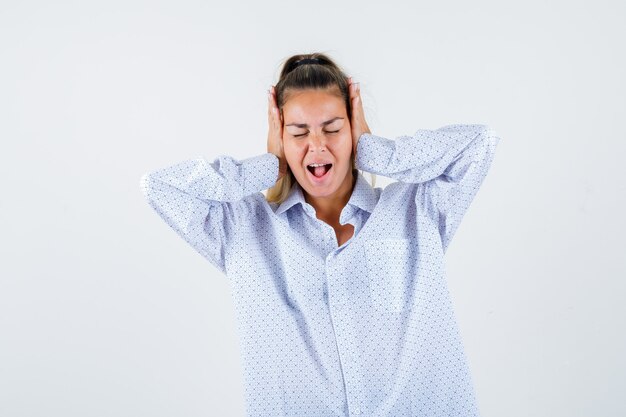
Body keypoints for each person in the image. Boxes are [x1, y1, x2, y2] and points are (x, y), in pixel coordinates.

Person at [140, 52, 500, 417]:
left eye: (332, 129)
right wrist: (270, 166)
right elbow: (159, 187)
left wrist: (377, 153)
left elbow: (480, 144)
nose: (317, 145)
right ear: (280, 137)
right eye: (298, 132)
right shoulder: (244, 229)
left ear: (354, 130)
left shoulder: (415, 210)